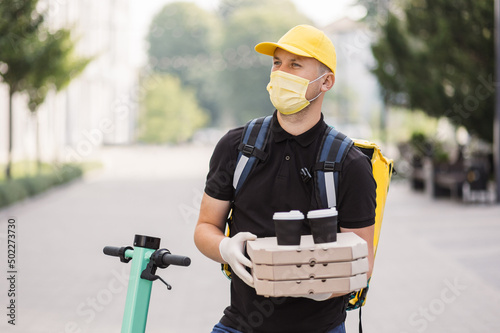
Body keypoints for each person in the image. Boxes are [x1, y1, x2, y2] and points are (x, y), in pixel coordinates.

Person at [194, 24, 376, 333]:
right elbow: (205, 228)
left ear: (326, 81)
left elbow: (362, 263)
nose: (281, 73)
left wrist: (312, 285)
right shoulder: (236, 147)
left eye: (295, 65)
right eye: (277, 63)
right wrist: (225, 248)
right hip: (240, 325)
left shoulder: (350, 164)